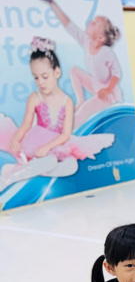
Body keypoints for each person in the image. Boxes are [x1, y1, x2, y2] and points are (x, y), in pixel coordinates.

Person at [0, 38, 113, 192]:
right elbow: (26, 125)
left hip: (57, 143)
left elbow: (65, 134)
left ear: (57, 72)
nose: (40, 82)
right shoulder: (35, 98)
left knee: (72, 166)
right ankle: (10, 177)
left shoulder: (67, 102)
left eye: (45, 76)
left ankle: (26, 168)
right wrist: (15, 139)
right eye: (36, 77)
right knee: (50, 161)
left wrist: (48, 146)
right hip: (36, 142)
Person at [44, 0, 122, 122]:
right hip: (96, 84)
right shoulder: (87, 41)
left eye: (94, 23)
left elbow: (116, 73)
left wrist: (108, 90)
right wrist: (52, 3)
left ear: (100, 38)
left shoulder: (106, 52)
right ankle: (80, 100)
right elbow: (69, 25)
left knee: (85, 109)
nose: (90, 22)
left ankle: (67, 126)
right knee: (74, 70)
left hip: (108, 93)